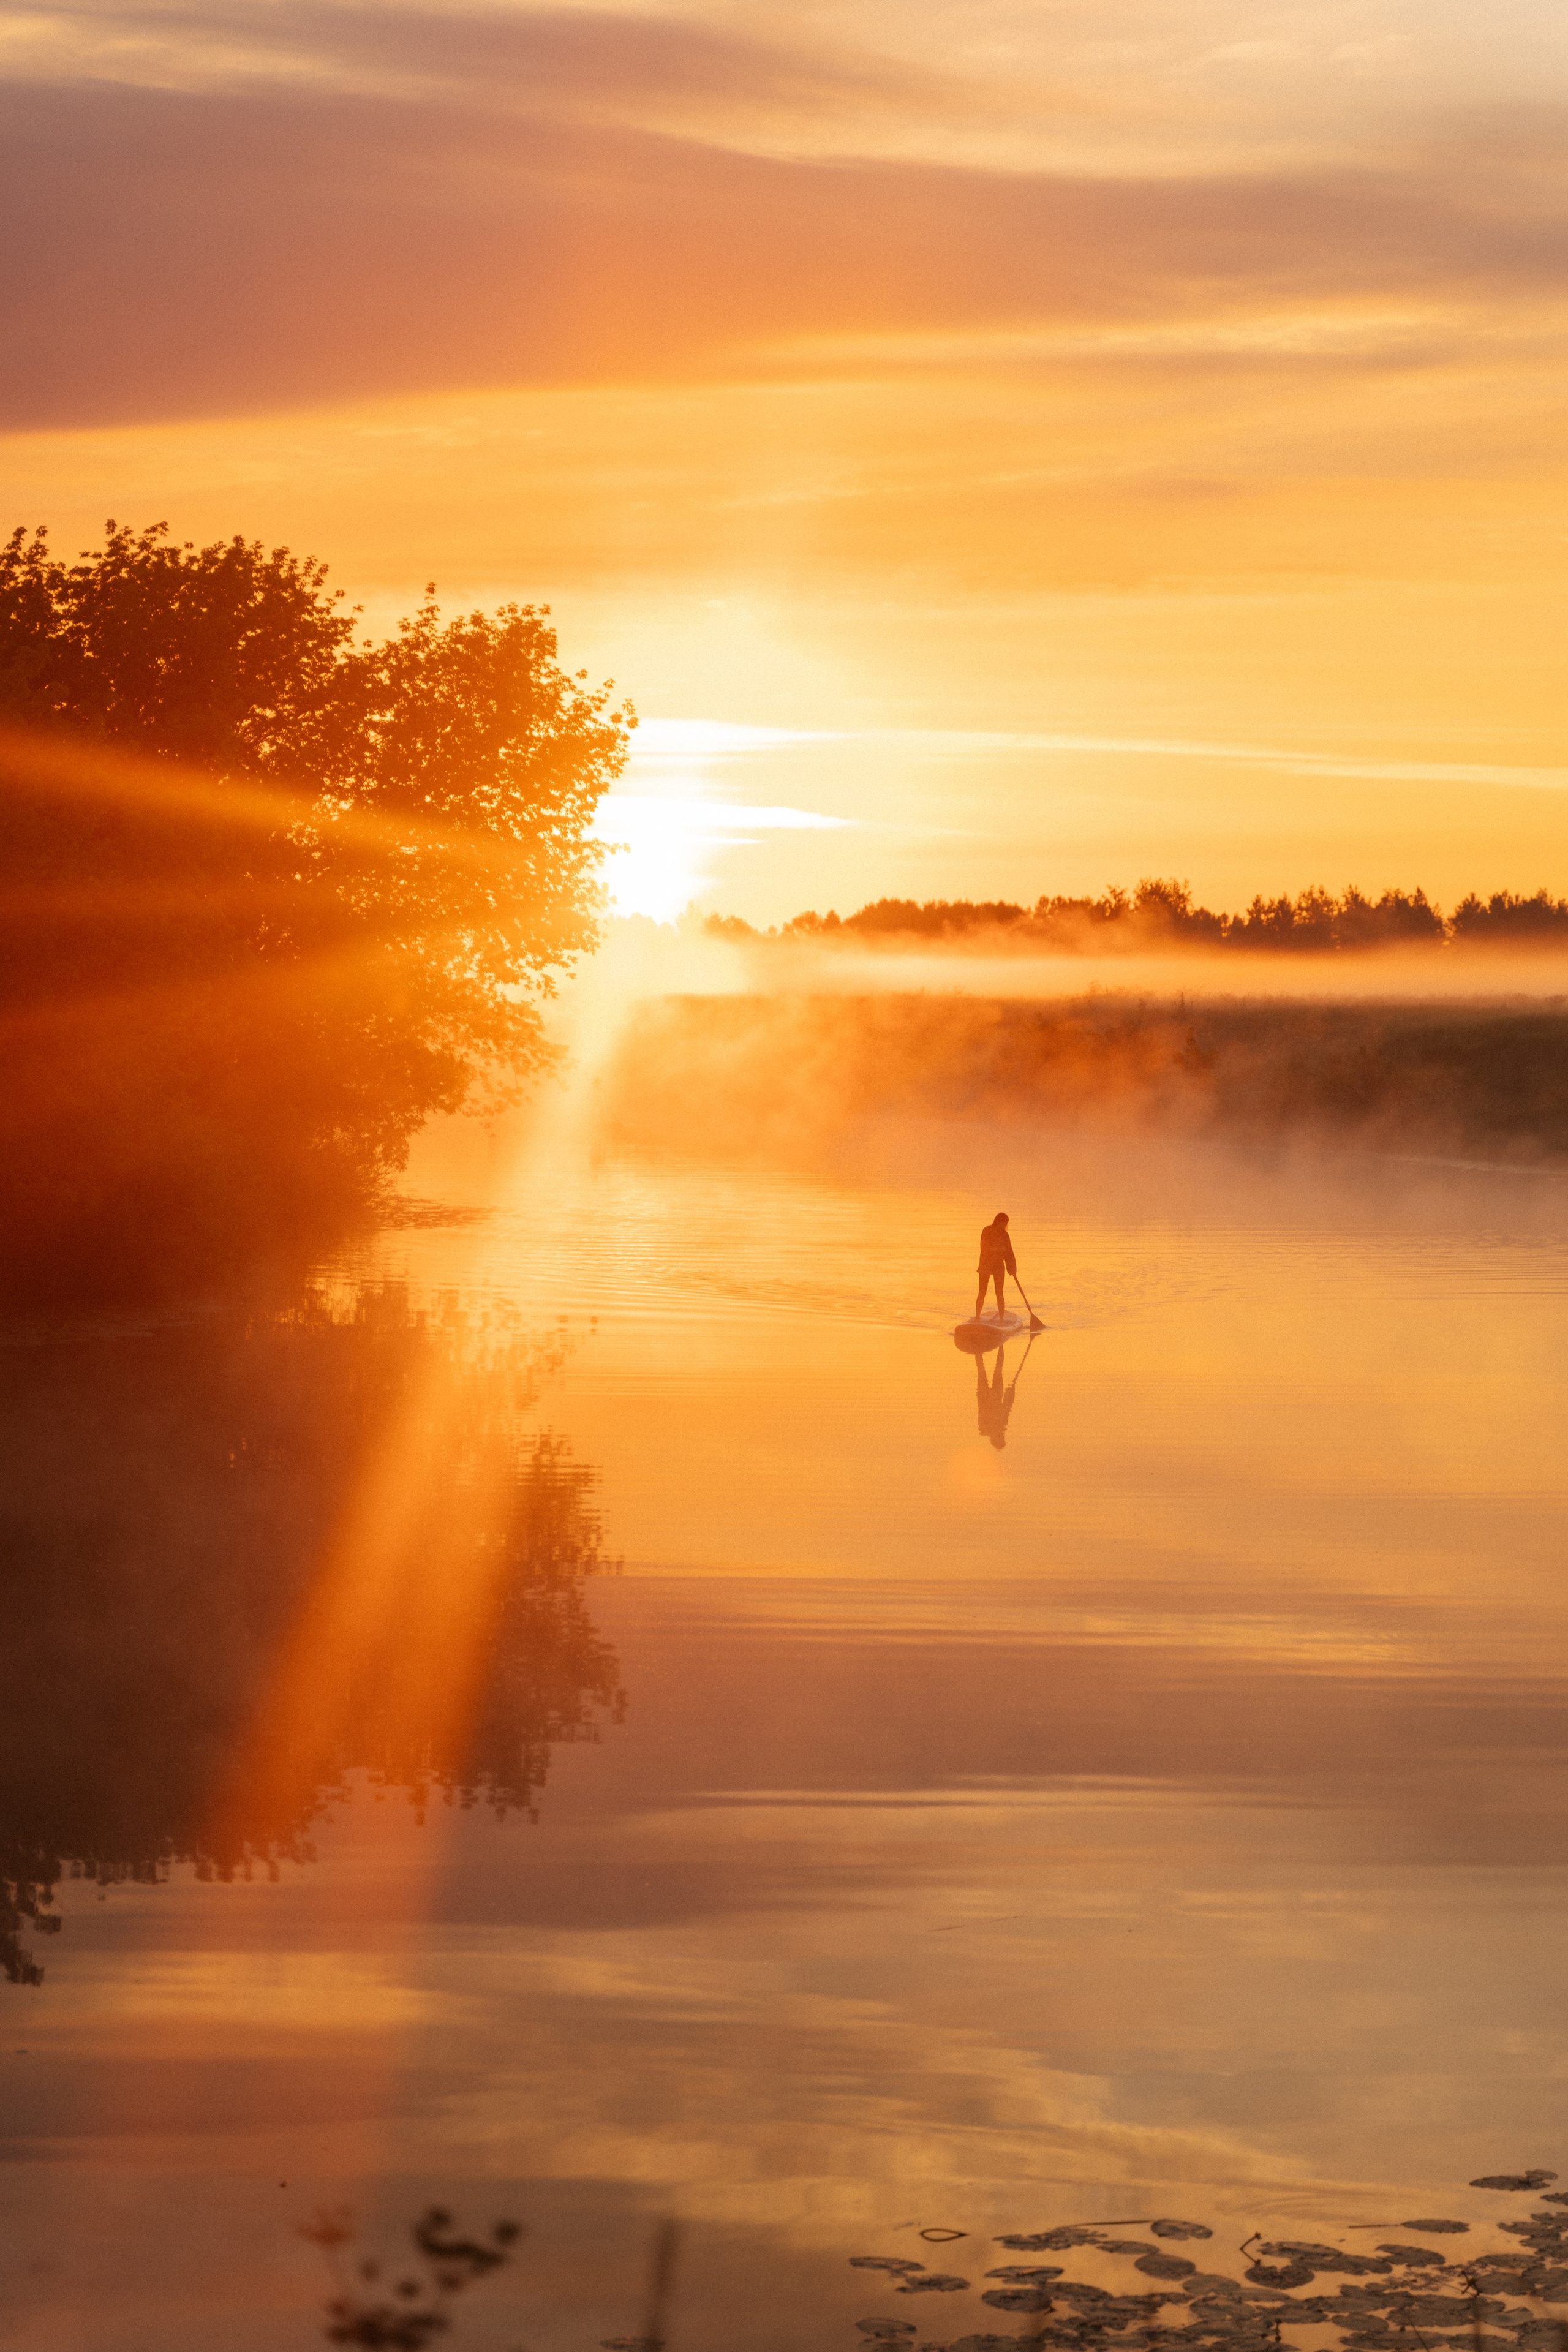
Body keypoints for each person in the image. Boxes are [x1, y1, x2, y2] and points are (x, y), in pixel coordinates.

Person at [974, 1210, 1017, 1319]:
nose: (1004, 1227)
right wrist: (998, 1249)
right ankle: (978, 1316)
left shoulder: (1005, 1235)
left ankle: (1001, 1319)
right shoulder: (987, 1231)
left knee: (999, 1293)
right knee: (982, 1292)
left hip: (998, 1266)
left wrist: (1012, 1268)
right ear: (997, 1222)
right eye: (1003, 1224)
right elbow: (984, 1248)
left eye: (1006, 1224)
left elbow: (1009, 1253)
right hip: (985, 1265)